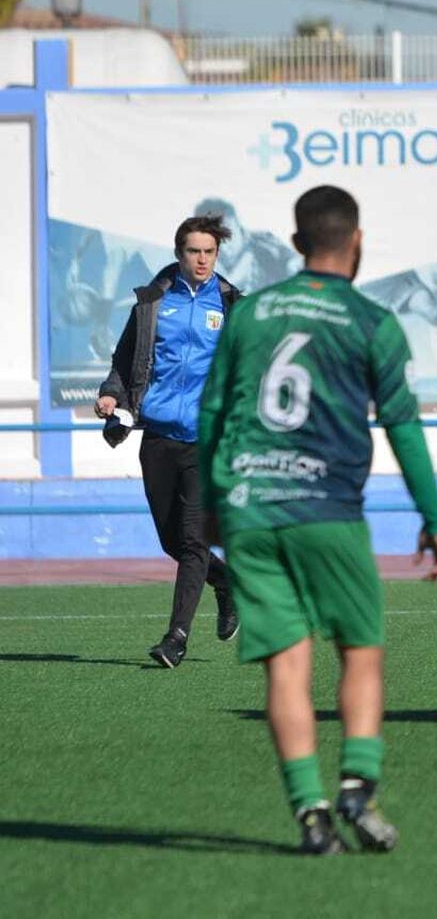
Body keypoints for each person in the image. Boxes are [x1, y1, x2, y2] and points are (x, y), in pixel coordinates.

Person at [198, 185, 437, 855]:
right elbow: (403, 424)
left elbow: (211, 414)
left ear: (295, 239)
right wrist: (433, 515)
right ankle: (358, 786)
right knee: (359, 649)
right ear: (356, 240)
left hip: (250, 505)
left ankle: (309, 811)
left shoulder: (249, 313)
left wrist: (209, 502)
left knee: (286, 663)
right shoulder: (372, 320)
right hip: (328, 510)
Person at [96, 214, 243, 669]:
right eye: (194, 251)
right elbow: (124, 359)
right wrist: (110, 393)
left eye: (210, 252)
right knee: (171, 540)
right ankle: (228, 583)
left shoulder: (233, 305)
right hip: (157, 435)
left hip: (206, 440)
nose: (202, 260)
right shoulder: (153, 302)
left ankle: (176, 637)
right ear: (179, 253)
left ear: (217, 254)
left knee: (195, 541)